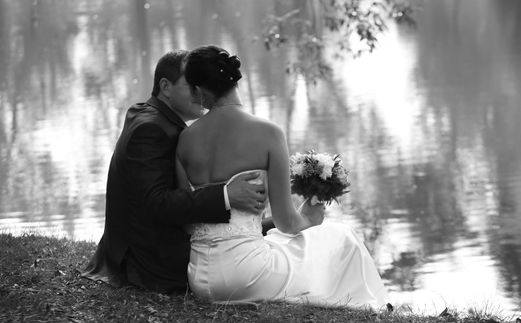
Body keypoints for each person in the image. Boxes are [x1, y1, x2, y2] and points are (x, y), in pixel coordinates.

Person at [176, 45, 388, 308]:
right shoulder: (268, 133)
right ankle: (377, 306)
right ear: (233, 81)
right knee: (342, 237)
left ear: (199, 90)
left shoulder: (184, 139)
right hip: (248, 276)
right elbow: (287, 222)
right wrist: (309, 219)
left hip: (200, 277)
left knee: (287, 244)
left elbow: (186, 221)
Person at [81, 50, 267, 293]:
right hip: (150, 262)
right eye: (191, 84)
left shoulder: (151, 116)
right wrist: (226, 195)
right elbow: (155, 203)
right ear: (166, 87)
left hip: (156, 241)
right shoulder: (151, 130)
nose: (201, 90)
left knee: (257, 236)